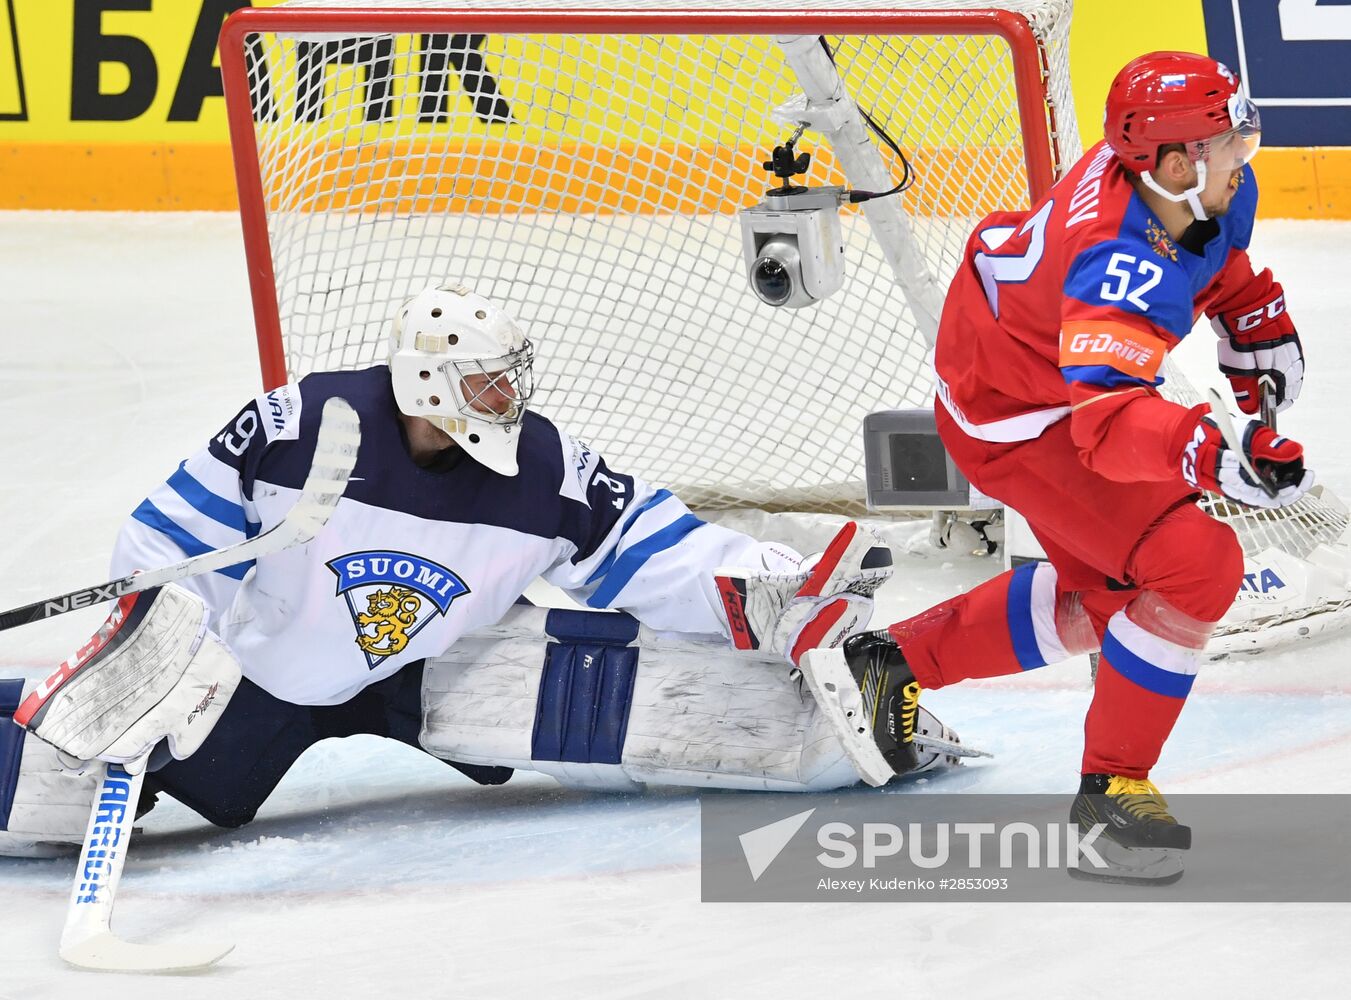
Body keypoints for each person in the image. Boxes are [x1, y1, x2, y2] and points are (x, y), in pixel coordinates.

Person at [0, 283, 958, 857]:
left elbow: (654, 546)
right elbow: (170, 543)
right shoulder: (300, 427)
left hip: (438, 666)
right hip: (271, 673)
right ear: (431, 383)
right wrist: (161, 665)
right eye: (491, 383)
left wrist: (772, 586)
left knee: (589, 690)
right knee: (122, 784)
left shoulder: (544, 468)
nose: (513, 398)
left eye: (513, 378)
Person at [825, 51, 1314, 883]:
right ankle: (1108, 794)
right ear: (1170, 161)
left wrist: (1246, 307)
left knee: (1114, 592)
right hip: (1019, 418)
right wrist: (1209, 452)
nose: (1246, 150)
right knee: (1194, 566)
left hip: (1026, 370)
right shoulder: (1111, 263)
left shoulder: (1196, 181)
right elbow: (1108, 428)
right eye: (1227, 138)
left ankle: (891, 663)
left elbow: (1210, 251)